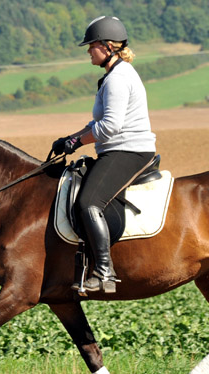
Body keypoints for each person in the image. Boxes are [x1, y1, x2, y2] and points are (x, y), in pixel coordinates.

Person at [52, 15, 157, 294]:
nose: (88, 50)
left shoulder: (118, 79)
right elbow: (98, 124)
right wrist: (71, 138)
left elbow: (110, 126)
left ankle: (105, 272)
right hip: (118, 149)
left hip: (128, 151)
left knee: (89, 202)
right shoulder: (112, 76)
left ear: (108, 47)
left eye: (92, 45)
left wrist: (78, 140)